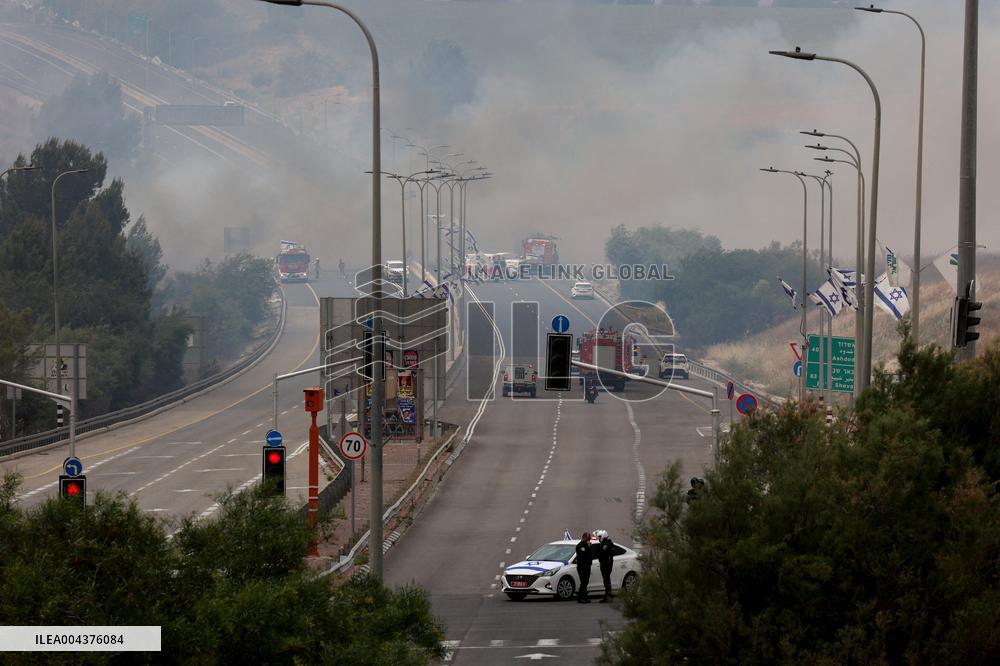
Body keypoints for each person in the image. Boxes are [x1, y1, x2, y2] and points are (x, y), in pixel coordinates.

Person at [594, 530, 616, 602]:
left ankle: (608, 596)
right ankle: (608, 596)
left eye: (600, 537)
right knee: (606, 580)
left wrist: (597, 550)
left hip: (606, 564)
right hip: (605, 563)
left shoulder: (606, 543)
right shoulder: (608, 542)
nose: (599, 538)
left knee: (606, 580)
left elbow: (602, 553)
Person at [575, 532, 594, 603]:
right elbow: (583, 555)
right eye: (588, 539)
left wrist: (589, 547)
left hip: (587, 566)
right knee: (583, 582)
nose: (589, 540)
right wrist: (588, 547)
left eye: (589, 539)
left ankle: (585, 597)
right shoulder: (580, 546)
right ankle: (580, 598)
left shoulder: (587, 545)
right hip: (582, 566)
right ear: (584, 538)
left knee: (586, 582)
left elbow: (590, 555)